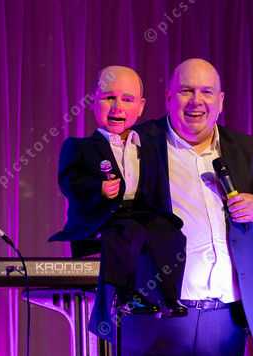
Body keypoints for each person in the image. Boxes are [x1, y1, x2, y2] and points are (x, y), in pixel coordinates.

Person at [90, 58, 253, 356]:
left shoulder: (247, 149)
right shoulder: (136, 143)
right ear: (168, 97)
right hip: (155, 318)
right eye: (186, 91)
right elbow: (94, 200)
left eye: (206, 92)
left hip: (226, 320)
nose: (196, 101)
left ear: (221, 100)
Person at [49, 65, 187, 317]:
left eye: (127, 99)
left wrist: (165, 218)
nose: (117, 107)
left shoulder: (148, 150)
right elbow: (70, 181)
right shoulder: (79, 147)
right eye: (109, 97)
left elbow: (159, 190)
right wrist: (99, 189)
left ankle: (169, 295)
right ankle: (124, 296)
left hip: (142, 213)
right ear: (93, 101)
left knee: (170, 232)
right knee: (126, 231)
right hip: (106, 216)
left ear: (141, 107)